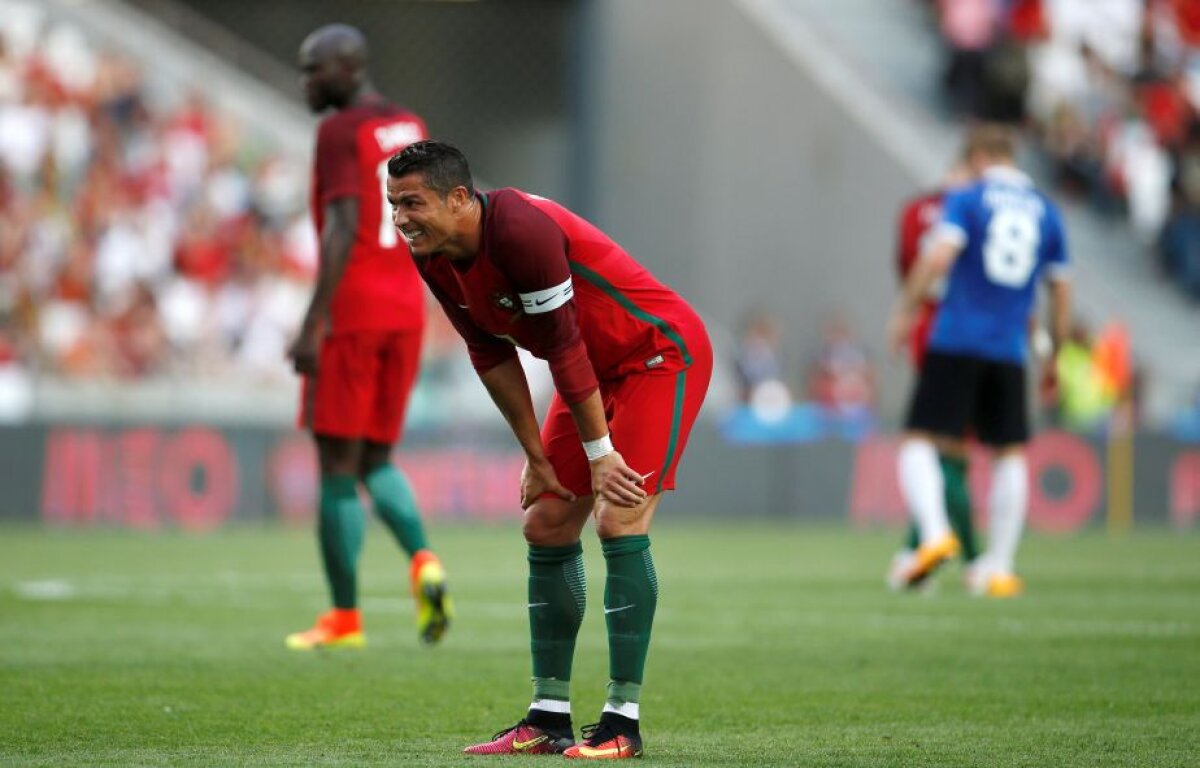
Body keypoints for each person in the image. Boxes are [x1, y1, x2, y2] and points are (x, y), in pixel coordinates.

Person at [386, 140, 712, 759]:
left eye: (413, 202)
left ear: (460, 199)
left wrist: (600, 453)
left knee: (618, 515)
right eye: (394, 204)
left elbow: (562, 345)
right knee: (546, 520)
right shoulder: (433, 254)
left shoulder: (521, 231)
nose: (401, 217)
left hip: (657, 356)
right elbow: (490, 353)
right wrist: (537, 457)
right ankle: (549, 716)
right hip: (589, 373)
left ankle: (623, 723)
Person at [284, 25, 450, 651]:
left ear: (349, 68)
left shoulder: (337, 131)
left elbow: (343, 224)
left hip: (352, 311)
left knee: (336, 467)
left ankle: (344, 618)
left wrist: (312, 321)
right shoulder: (410, 123)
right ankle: (422, 559)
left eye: (314, 70)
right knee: (378, 459)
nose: (307, 82)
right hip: (405, 306)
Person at [887, 124, 1071, 597]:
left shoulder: (970, 200)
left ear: (980, 157)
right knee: (1008, 453)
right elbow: (1061, 289)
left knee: (917, 440)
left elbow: (937, 259)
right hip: (1009, 346)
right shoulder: (1048, 211)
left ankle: (933, 534)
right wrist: (1055, 353)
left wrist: (906, 311)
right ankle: (999, 566)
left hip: (956, 338)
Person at [886, 162, 982, 591]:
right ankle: (968, 555)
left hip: (931, 329)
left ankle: (921, 546)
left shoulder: (916, 210)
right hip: (971, 330)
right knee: (949, 447)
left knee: (936, 446)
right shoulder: (978, 208)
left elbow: (907, 266)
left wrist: (906, 313)